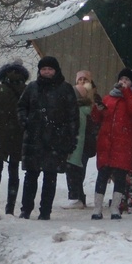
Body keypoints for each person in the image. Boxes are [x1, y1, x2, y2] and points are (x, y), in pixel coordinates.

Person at [17, 56, 80, 220]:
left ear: (56, 70)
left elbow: (73, 116)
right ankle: (26, 209)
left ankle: (45, 211)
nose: (46, 72)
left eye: (49, 69)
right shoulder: (32, 88)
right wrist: (26, 122)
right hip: (34, 139)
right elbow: (21, 107)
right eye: (43, 69)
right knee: (31, 176)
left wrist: (71, 137)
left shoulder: (65, 89)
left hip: (56, 140)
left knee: (50, 177)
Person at [92, 68, 132, 220]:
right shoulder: (109, 98)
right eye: (121, 79)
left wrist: (127, 92)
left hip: (123, 144)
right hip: (106, 142)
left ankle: (115, 207)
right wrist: (97, 109)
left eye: (127, 80)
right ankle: (97, 207)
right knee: (102, 174)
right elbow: (98, 118)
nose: (123, 82)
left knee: (120, 176)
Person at [0, 60, 29, 215]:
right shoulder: (27, 90)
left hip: (1, 135)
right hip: (19, 135)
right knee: (14, 171)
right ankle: (10, 207)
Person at [63, 70, 104, 209]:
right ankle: (75, 195)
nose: (82, 82)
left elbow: (99, 119)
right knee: (71, 167)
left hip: (87, 139)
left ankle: (77, 196)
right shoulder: (71, 97)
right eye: (79, 79)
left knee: (80, 168)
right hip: (75, 138)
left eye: (84, 79)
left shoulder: (95, 100)